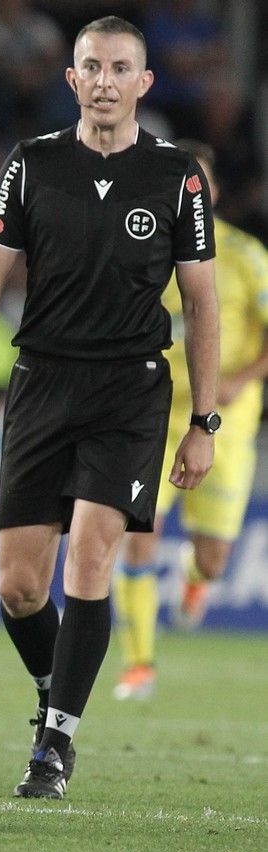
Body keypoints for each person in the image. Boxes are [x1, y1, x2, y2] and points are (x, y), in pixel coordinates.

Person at [0, 15, 219, 800]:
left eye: (119, 67)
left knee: (92, 558)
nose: (103, 80)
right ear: (72, 79)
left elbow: (201, 302)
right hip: (42, 381)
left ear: (143, 83)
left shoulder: (179, 176)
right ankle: (53, 690)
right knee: (20, 587)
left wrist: (204, 422)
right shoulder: (32, 165)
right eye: (90, 66)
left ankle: (54, 743)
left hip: (129, 389)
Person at [113, 141, 268, 700]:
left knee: (214, 559)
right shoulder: (140, 249)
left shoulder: (246, 256)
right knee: (137, 534)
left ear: (214, 191)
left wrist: (240, 380)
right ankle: (139, 664)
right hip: (156, 413)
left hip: (226, 419)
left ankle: (195, 576)